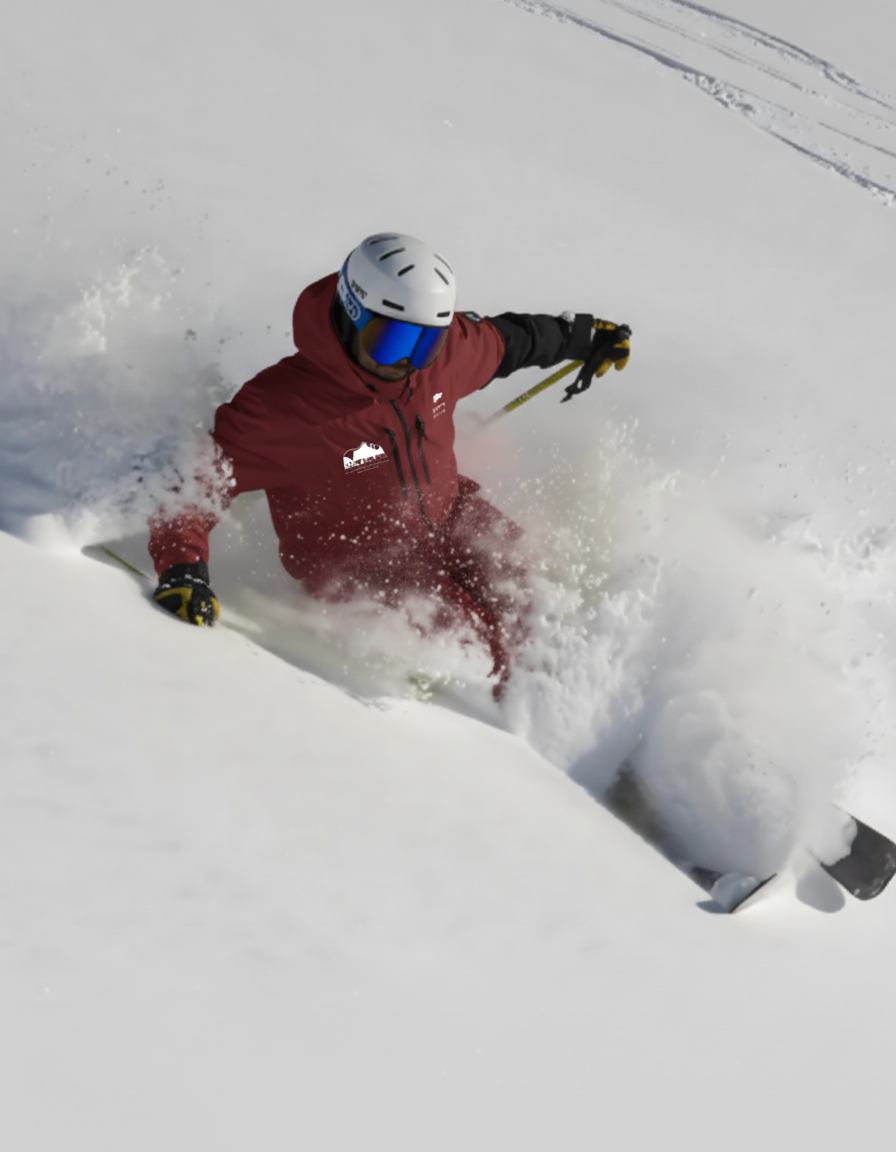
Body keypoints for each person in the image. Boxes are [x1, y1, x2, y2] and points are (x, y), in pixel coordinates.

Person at [149, 232, 631, 692]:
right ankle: (516, 737)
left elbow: (511, 341)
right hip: (365, 570)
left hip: (453, 514)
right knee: (487, 651)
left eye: (425, 344)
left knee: (536, 600)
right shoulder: (285, 407)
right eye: (393, 342)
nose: (408, 362)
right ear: (351, 313)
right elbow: (197, 479)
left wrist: (582, 336)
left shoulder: (441, 358)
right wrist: (182, 567)